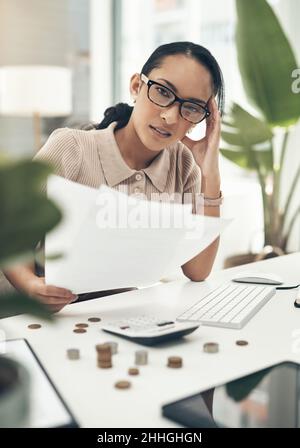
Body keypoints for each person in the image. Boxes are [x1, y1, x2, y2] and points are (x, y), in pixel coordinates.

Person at [4, 41, 224, 312]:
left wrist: (210, 173)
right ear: (136, 86)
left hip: (114, 317)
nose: (170, 116)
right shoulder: (71, 148)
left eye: (190, 108)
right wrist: (31, 285)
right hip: (27, 315)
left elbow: (197, 270)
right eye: (163, 92)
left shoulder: (184, 165)